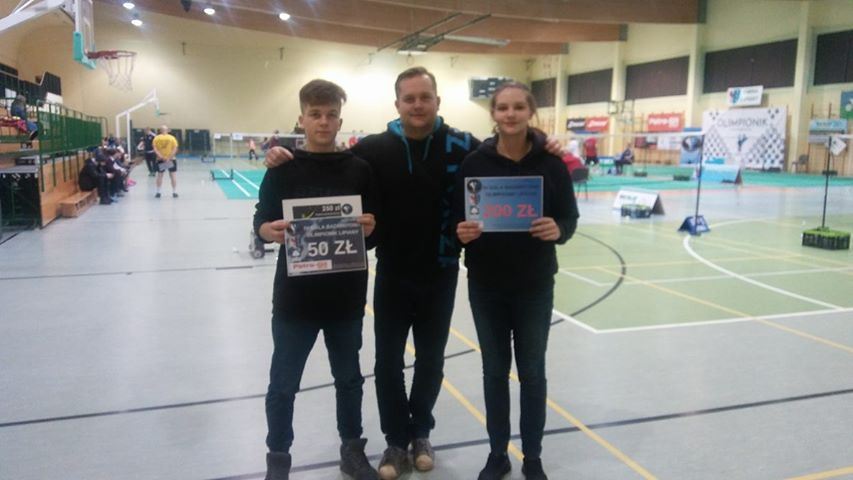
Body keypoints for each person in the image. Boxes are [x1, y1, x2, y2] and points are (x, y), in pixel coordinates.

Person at [264, 67, 565, 480]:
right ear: (397, 104)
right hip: (391, 272)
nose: (418, 105)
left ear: (437, 101)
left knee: (431, 362)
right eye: (410, 99)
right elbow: (330, 161)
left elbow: (505, 146)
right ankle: (394, 441)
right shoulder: (372, 150)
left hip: (441, 272)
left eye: (425, 97)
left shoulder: (462, 145)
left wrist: (542, 140)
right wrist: (281, 152)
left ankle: (420, 433)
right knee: (387, 364)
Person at [253, 79, 380, 480]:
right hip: (295, 300)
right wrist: (267, 231)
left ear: (340, 120)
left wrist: (371, 228)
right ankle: (278, 458)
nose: (323, 122)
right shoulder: (283, 168)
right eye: (315, 115)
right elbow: (261, 219)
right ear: (302, 119)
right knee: (283, 384)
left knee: (349, 380)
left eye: (331, 115)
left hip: (345, 298)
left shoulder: (359, 170)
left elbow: (372, 232)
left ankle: (352, 450)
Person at [454, 82, 579, 480]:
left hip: (534, 286)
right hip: (486, 286)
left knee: (532, 373)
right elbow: (457, 218)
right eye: (503, 107)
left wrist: (558, 230)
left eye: (518, 107)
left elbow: (569, 217)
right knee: (494, 373)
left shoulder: (552, 163)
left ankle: (533, 457)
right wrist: (461, 233)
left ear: (530, 112)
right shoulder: (475, 163)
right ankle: (497, 454)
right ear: (493, 113)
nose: (510, 114)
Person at [152, 125, 179, 198]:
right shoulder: (172, 138)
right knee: (172, 175)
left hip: (160, 160)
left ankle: (158, 192)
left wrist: (161, 156)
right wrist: (169, 158)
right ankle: (174, 192)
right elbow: (175, 148)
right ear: (167, 130)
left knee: (160, 175)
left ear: (160, 130)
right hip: (171, 160)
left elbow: (155, 149)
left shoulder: (156, 138)